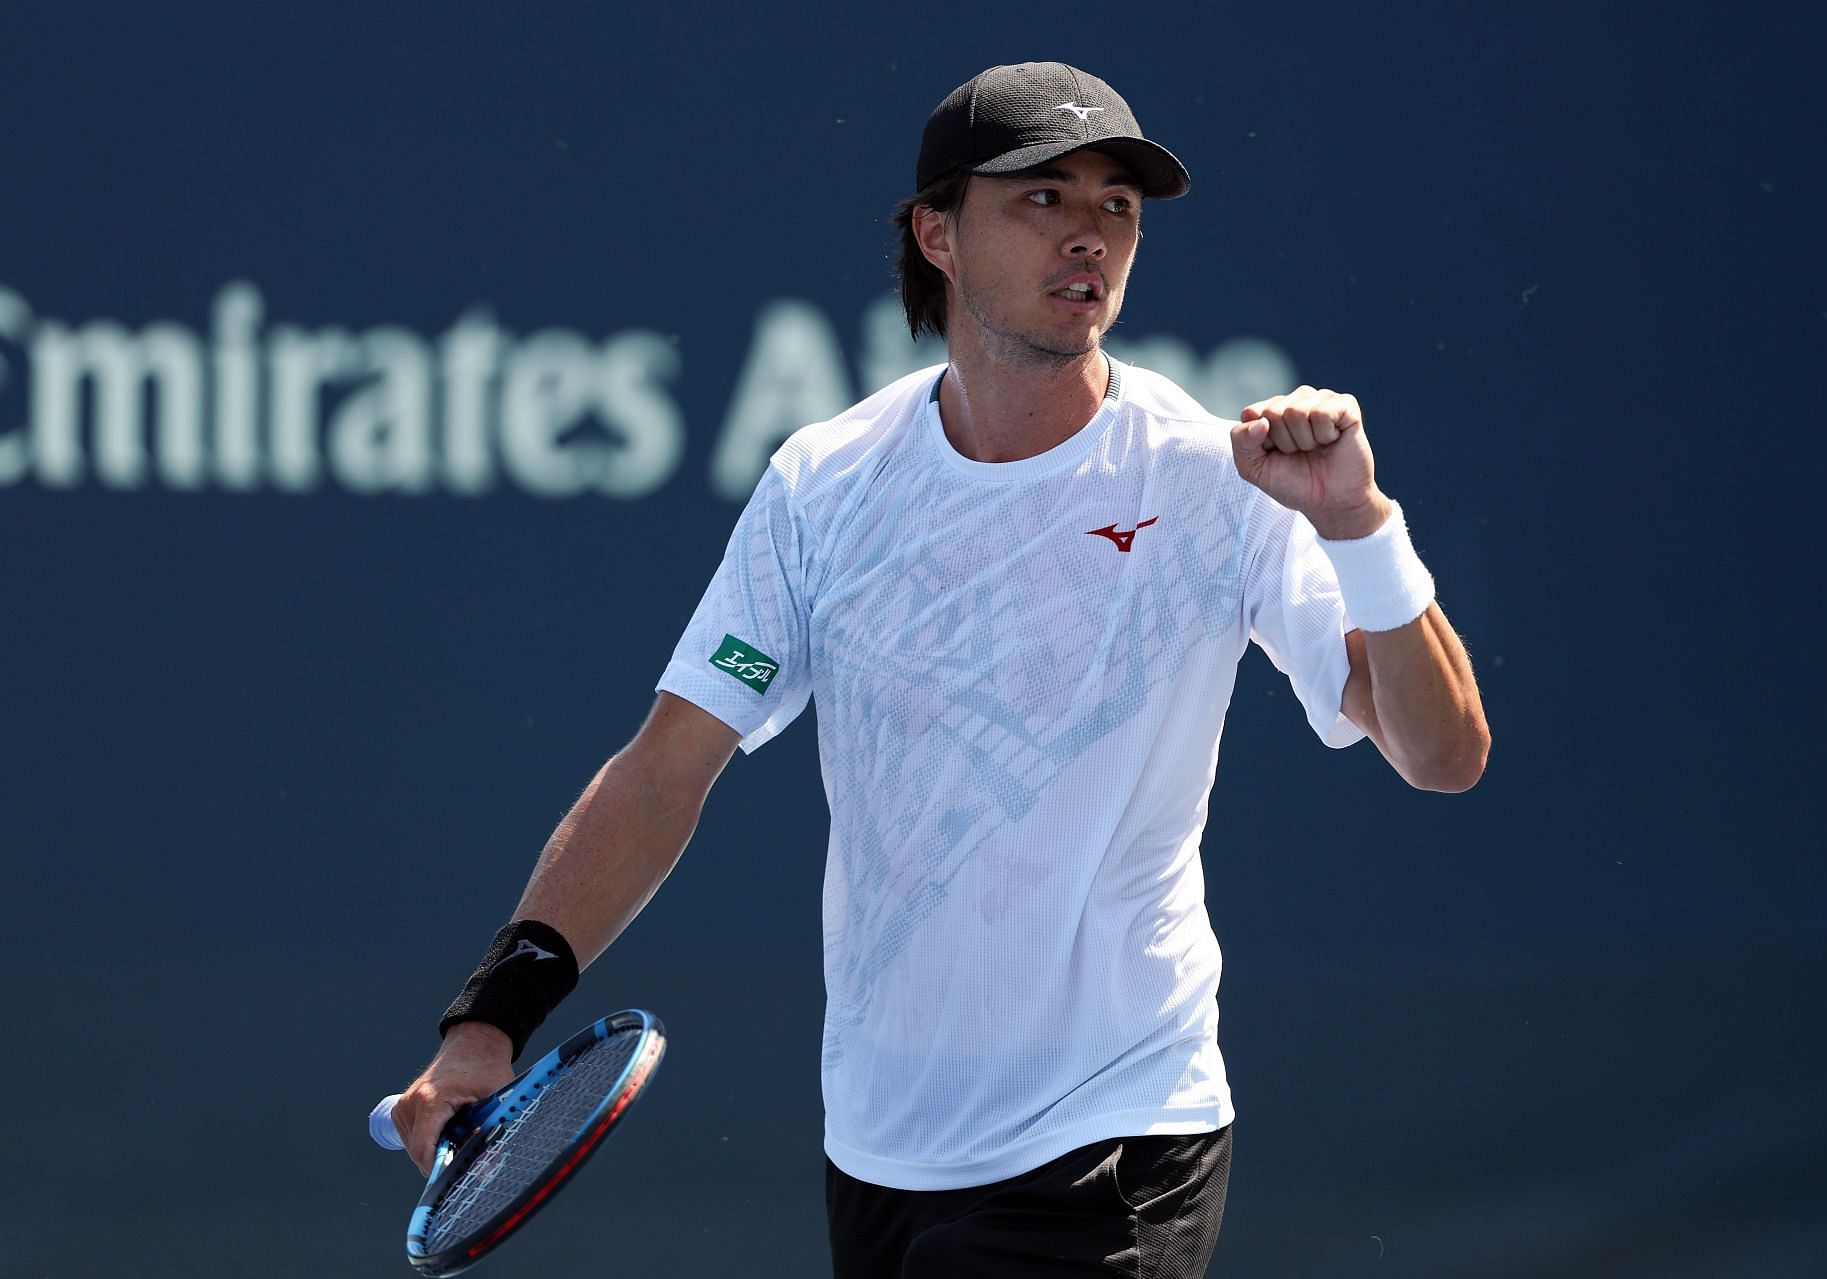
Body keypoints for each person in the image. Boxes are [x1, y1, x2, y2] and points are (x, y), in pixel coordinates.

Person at [388, 61, 1490, 1277]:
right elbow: (666, 769)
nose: (1092, 235)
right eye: (1042, 198)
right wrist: (493, 1017)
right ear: (936, 234)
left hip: (1115, 1136)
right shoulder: (825, 484)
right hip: (883, 1150)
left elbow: (1442, 756)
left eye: (1118, 206)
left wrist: (1363, 528)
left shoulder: (1215, 479)